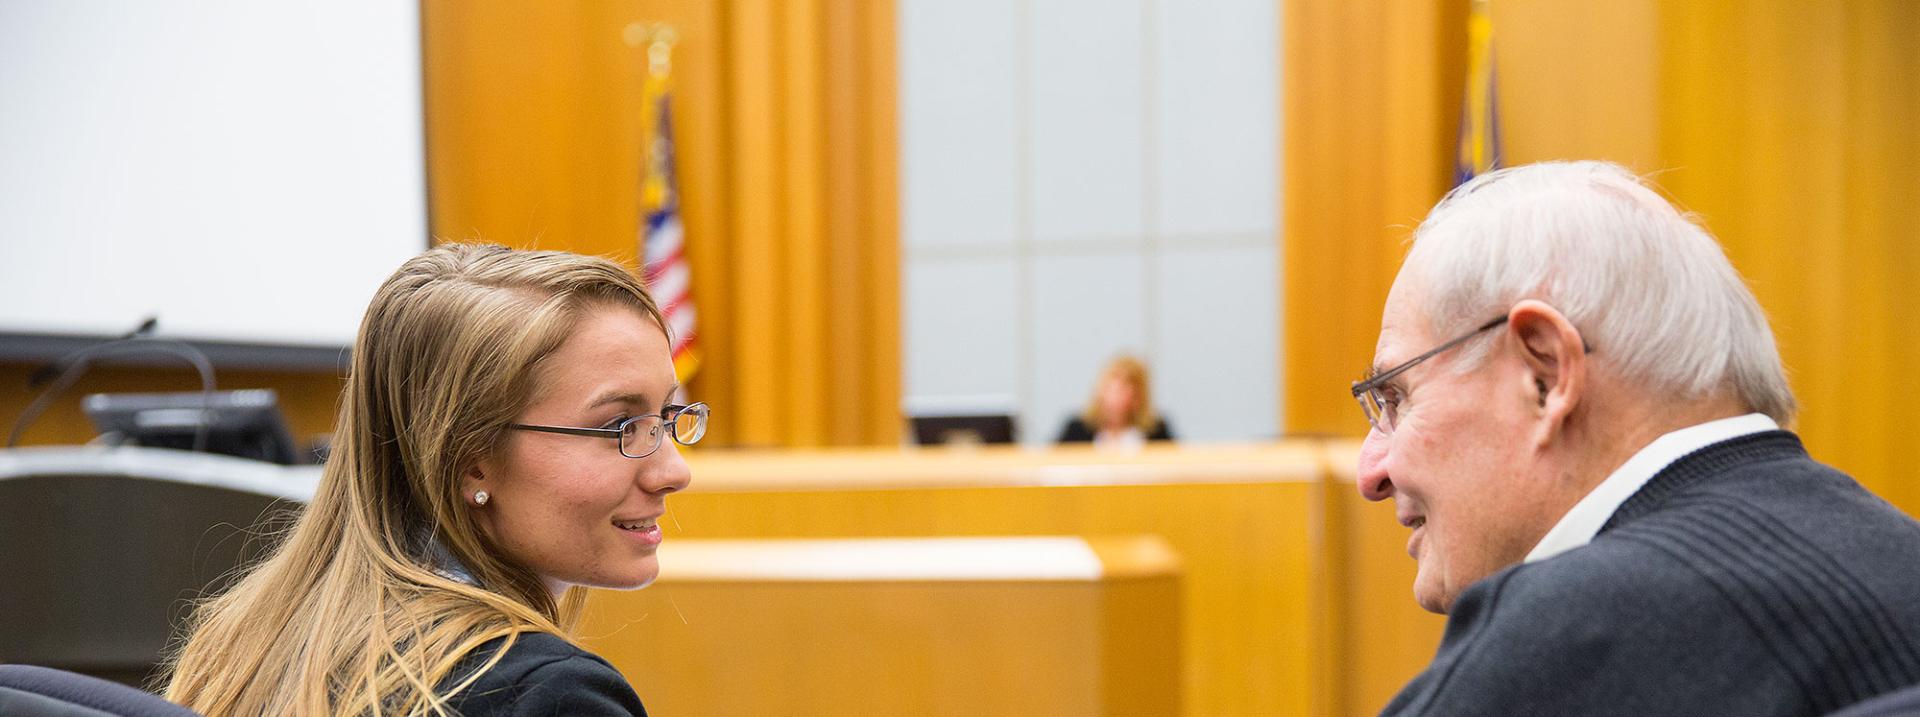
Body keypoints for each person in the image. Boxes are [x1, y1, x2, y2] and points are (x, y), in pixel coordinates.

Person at [1353, 161, 1920, 715]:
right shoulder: (1901, 555)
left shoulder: (1564, 639)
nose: (1370, 472)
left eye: (1397, 397)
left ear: (1544, 376)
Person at [163, 244, 706, 715]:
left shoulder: (248, 644)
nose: (673, 471)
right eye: (619, 426)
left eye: (668, 416)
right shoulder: (543, 695)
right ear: (470, 463)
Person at [1057, 355, 1174, 449]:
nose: (1113, 398)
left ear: (1137, 398)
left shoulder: (1157, 432)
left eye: (1121, 390)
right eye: (1109, 389)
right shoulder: (1076, 431)